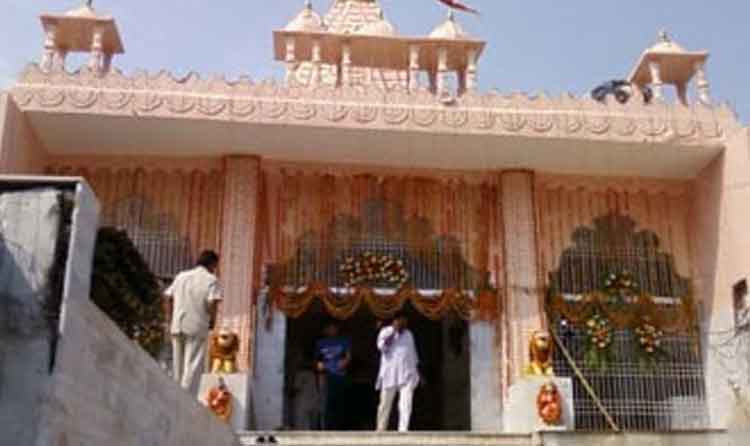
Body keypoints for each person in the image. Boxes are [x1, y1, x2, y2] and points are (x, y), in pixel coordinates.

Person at [163, 250, 222, 395]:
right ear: (212, 264)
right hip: (197, 326)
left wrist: (169, 319)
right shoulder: (211, 279)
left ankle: (175, 396)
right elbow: (212, 303)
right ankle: (185, 400)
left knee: (177, 367)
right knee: (192, 367)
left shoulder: (181, 276)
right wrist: (212, 321)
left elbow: (168, 297)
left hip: (177, 324)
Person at [375, 312, 420, 432]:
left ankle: (403, 430)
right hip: (389, 375)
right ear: (394, 321)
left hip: (406, 375)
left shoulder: (409, 334)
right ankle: (380, 429)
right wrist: (394, 333)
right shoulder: (385, 332)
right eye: (400, 321)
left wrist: (416, 372)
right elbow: (382, 347)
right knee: (384, 405)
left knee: (405, 404)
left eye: (405, 321)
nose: (403, 324)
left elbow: (413, 355)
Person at [315, 321, 352, 430]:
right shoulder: (320, 343)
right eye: (329, 328)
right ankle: (325, 427)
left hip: (340, 375)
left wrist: (344, 362)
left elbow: (349, 356)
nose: (331, 330)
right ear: (325, 330)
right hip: (325, 375)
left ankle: (339, 427)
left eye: (333, 327)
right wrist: (319, 366)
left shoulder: (344, 341)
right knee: (325, 402)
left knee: (339, 401)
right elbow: (317, 360)